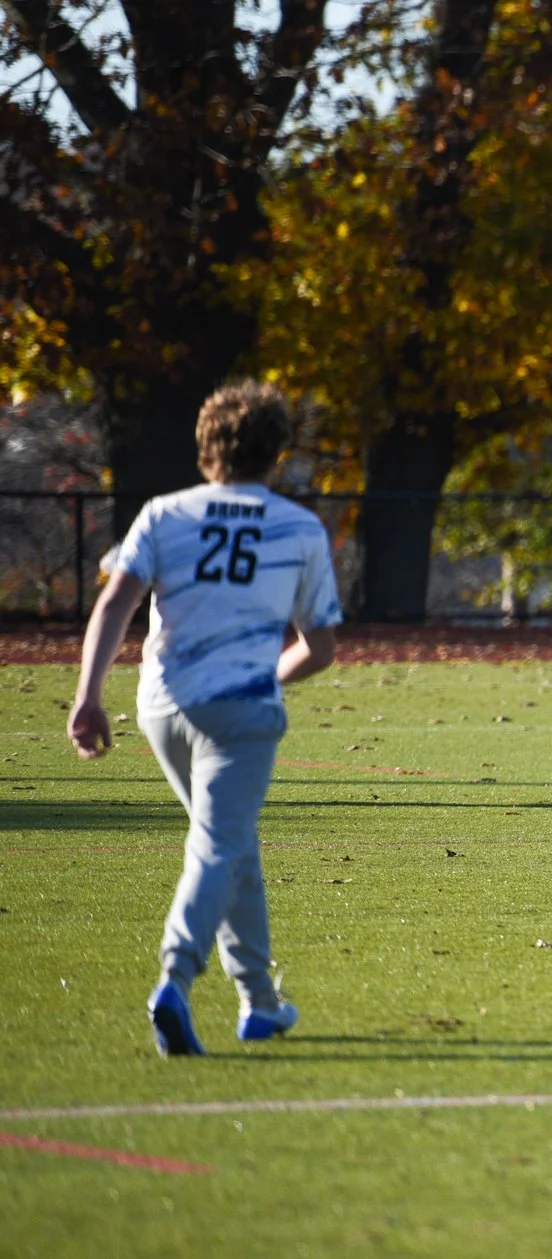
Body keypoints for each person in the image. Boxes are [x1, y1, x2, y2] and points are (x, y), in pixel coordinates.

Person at [67, 382, 342, 1056]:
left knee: (231, 841)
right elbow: (320, 646)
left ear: (204, 446)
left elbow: (113, 608)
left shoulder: (164, 515)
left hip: (162, 703)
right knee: (219, 844)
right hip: (239, 711)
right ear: (277, 451)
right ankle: (175, 979)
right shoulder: (299, 528)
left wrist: (88, 694)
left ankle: (260, 1002)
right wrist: (266, 676)